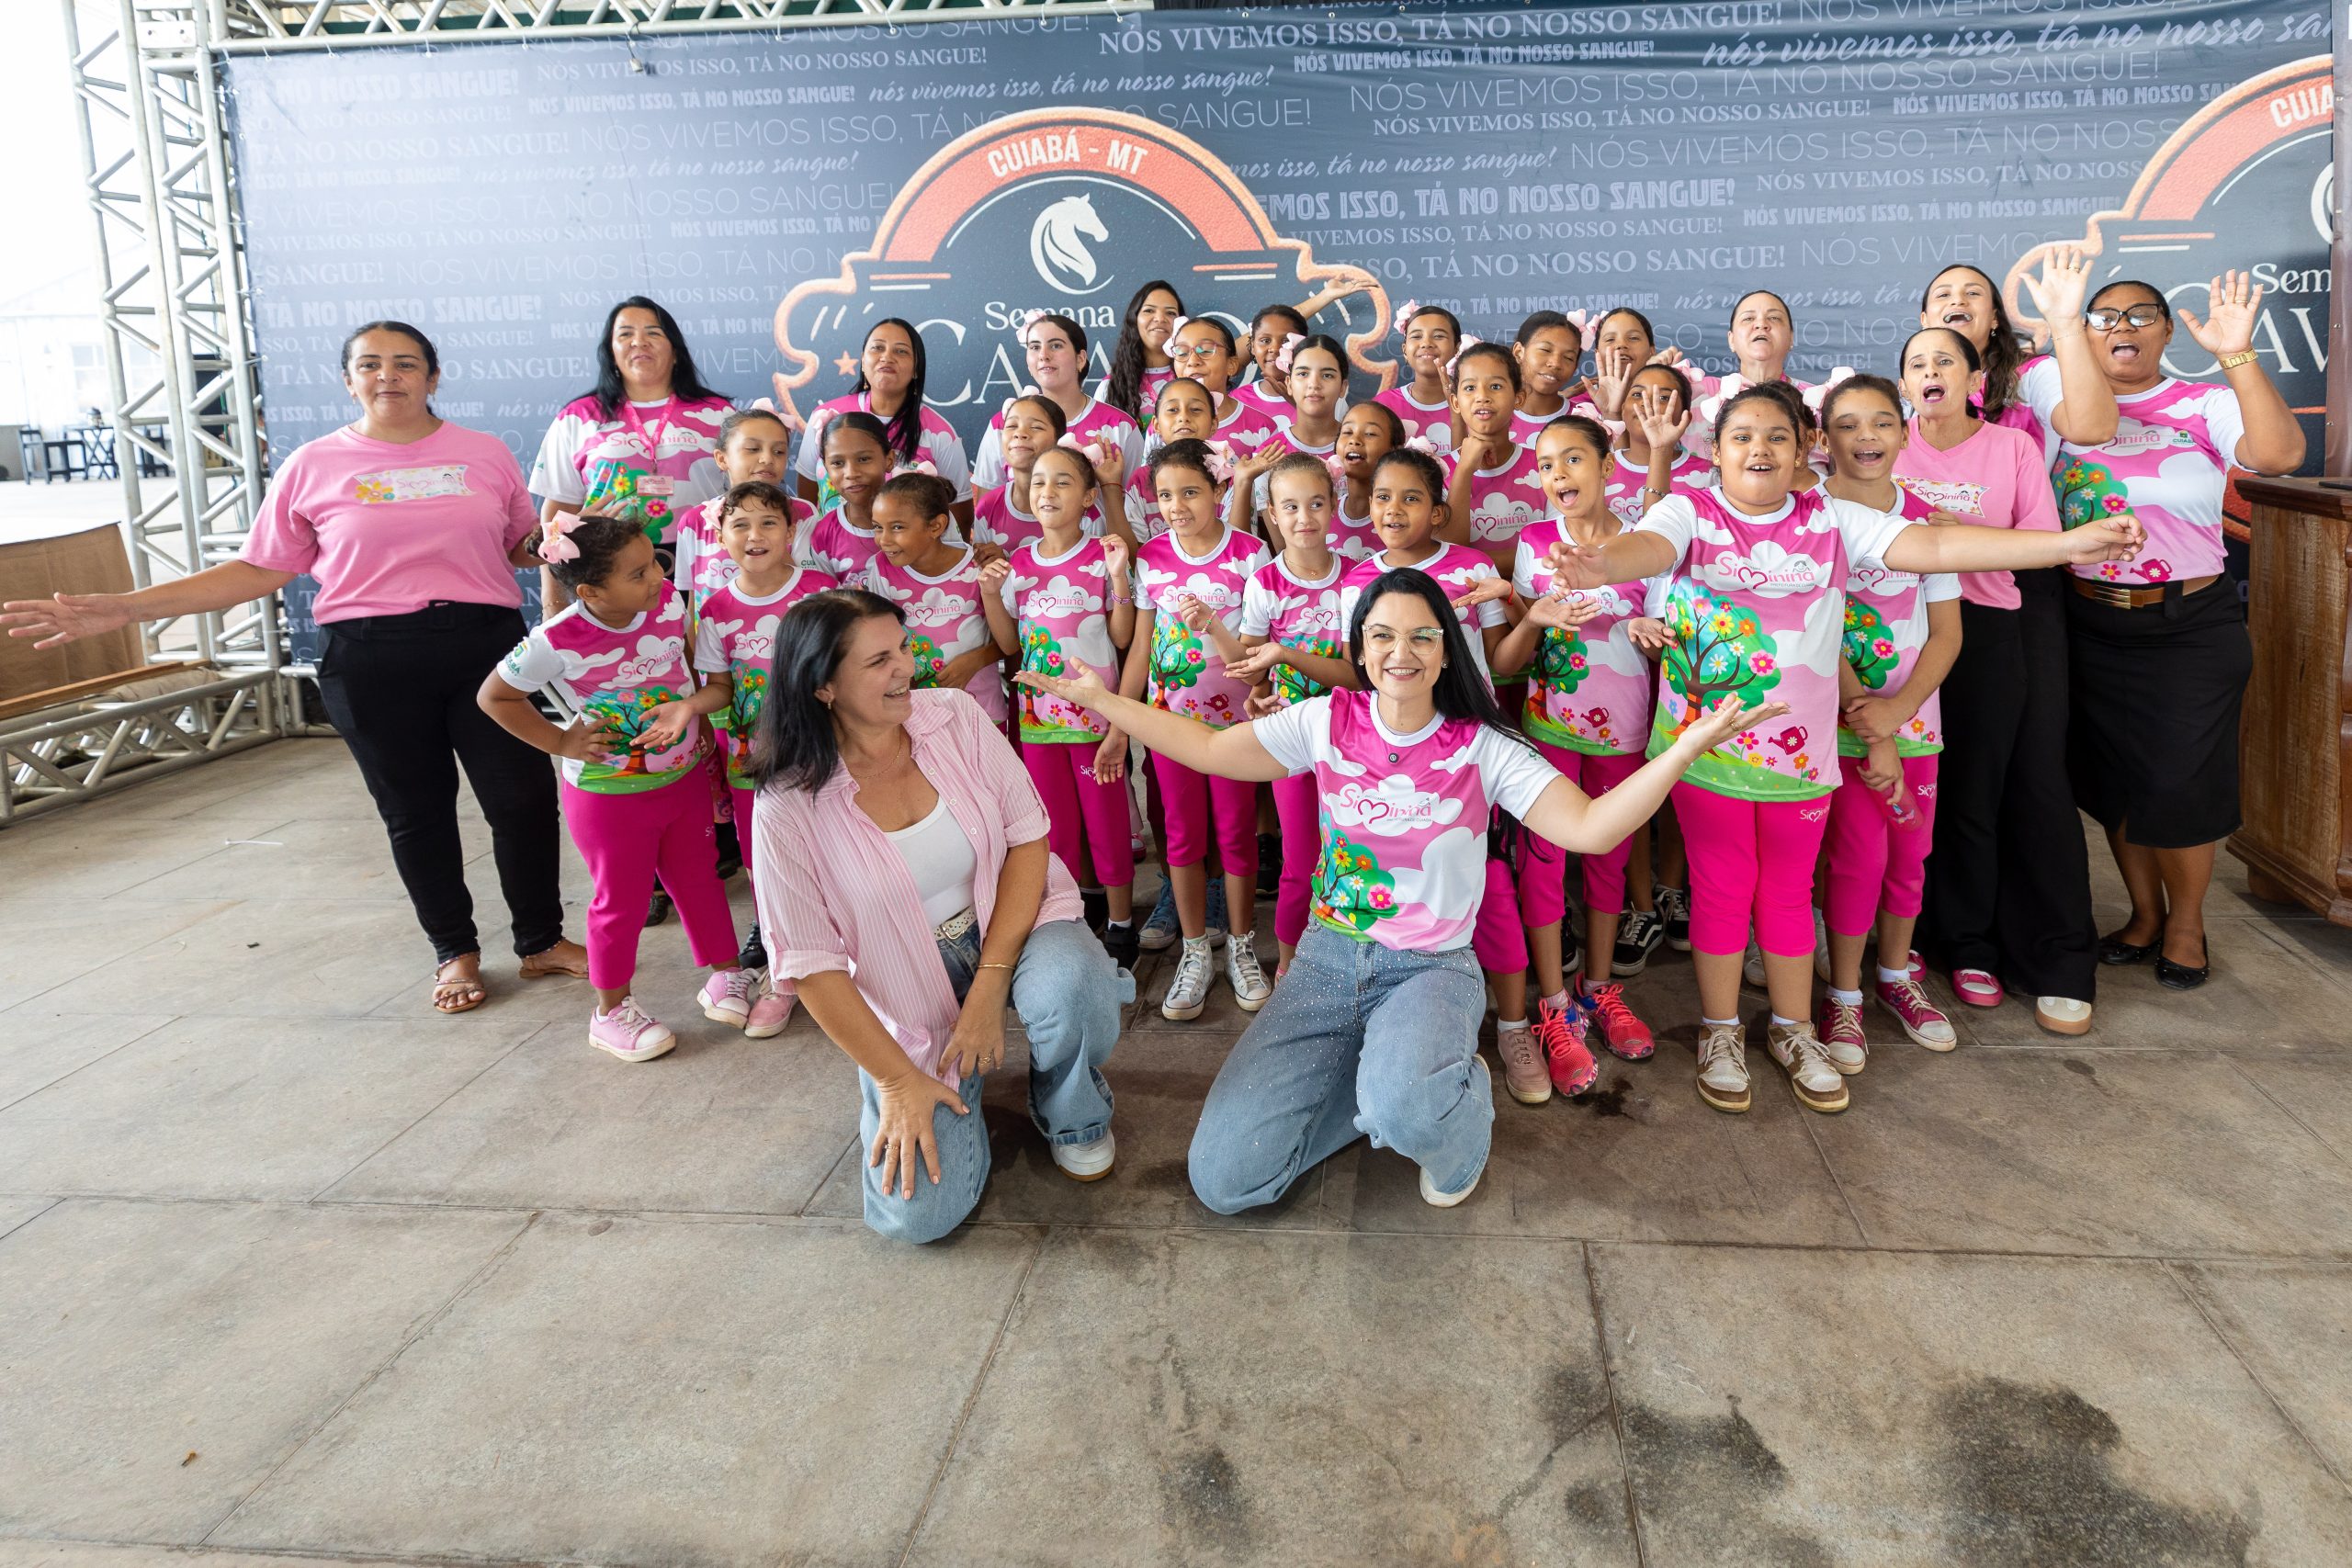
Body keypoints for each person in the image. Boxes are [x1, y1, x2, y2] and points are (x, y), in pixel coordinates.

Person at [1020, 569, 1776, 1212]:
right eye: (1381, 635)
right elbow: (1212, 748)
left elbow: (1591, 827)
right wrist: (1104, 701)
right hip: (1326, 959)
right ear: (1359, 648)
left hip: (1431, 968)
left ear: (1447, 651)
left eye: (1421, 636)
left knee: (1411, 1113)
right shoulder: (1325, 720)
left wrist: (1683, 749)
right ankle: (1386, 1090)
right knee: (1226, 1181)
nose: (1400, 651)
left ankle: (1443, 1107)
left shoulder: (1483, 746)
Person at [1553, 385, 2145, 1115]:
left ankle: (1794, 1029)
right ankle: (1720, 1030)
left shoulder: (1831, 517)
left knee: (1787, 894)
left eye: (1777, 436)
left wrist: (2065, 545)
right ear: (1717, 451)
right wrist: (1600, 565)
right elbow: (1646, 547)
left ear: (1804, 448)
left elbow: (1934, 547)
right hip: (1707, 753)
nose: (1760, 449)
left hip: (1803, 761)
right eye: (1742, 437)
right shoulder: (1690, 510)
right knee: (1724, 888)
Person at [1, 321, 586, 1014]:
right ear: (348, 380)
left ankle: (540, 940)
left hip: (484, 650)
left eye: (406, 363)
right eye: (370, 364)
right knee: (415, 811)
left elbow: (517, 545)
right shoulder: (314, 464)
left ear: (433, 377)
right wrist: (126, 608)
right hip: (370, 657)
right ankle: (453, 950)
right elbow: (259, 568)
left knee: (522, 798)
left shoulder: (483, 452)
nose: (388, 375)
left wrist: (565, 537)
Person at [751, 590, 1126, 1244]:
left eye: (903, 647)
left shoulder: (954, 715)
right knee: (918, 1218)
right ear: (823, 686)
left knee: (1075, 986)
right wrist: (898, 1080)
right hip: (905, 981)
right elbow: (809, 966)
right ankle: (903, 1080)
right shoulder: (786, 804)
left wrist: (988, 987)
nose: (908, 666)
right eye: (879, 661)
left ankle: (1073, 1110)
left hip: (1016, 920)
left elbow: (1027, 837)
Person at [2035, 271, 2308, 989]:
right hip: (2087, 621)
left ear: (2164, 330)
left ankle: (2187, 924)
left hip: (2189, 626)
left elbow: (2281, 457)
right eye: (2104, 316)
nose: (2122, 326)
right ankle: (2144, 913)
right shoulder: (2054, 403)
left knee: (2177, 781)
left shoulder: (2204, 402)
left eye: (2140, 314)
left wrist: (2236, 353)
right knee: (2114, 780)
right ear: (2083, 333)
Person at [477, 513, 759, 1062]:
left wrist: (698, 721)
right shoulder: (555, 639)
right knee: (622, 901)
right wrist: (562, 742)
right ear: (590, 591)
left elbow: (683, 665)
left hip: (682, 780)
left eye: (654, 561)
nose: (657, 576)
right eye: (638, 573)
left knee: (699, 879)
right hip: (609, 799)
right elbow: (494, 697)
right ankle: (611, 1012)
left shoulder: (668, 603)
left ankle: (727, 974)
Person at [1497, 414, 1668, 1066]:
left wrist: (1651, 633)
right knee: (1541, 861)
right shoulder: (1535, 541)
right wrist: (1528, 614)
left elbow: (1669, 639)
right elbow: (1519, 639)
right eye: (1546, 464)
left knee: (1609, 862)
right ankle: (1553, 1003)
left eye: (1572, 458)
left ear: (1606, 466)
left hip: (1625, 733)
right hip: (1547, 727)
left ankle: (1599, 989)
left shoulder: (1645, 546)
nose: (1558, 474)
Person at [1816, 376, 1962, 1061]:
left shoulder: (1930, 523)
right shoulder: (1807, 517)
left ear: (1905, 434)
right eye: (1847, 424)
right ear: (1824, 439)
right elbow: (1817, 626)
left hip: (1915, 724)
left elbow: (1948, 634)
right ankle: (1843, 995)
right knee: (1857, 859)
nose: (1866, 437)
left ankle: (1895, 975)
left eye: (1881, 422)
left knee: (1909, 856)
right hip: (1838, 728)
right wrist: (1869, 723)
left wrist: (1901, 711)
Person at [1127, 439, 1274, 1019]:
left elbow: (1257, 653)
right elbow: (1142, 644)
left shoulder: (1250, 554)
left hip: (1235, 728)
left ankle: (1240, 946)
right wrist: (1124, 717)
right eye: (1165, 495)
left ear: (1219, 490)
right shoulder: (1151, 557)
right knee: (1183, 838)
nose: (1176, 506)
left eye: (1190, 492)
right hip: (1170, 726)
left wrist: (1213, 625)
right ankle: (1194, 952)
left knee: (1236, 836)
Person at [979, 443, 1139, 969]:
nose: (1047, 491)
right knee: (1057, 831)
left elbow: (1122, 636)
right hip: (1037, 725)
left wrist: (1119, 578)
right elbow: (1009, 645)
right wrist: (991, 595)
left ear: (1090, 496)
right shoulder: (1019, 565)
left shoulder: (1103, 555)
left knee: (1107, 825)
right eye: (1039, 482)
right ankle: (1070, 921)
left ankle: (1121, 923)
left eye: (1063, 481)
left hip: (1095, 724)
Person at [695, 479, 839, 988]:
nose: (754, 535)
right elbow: (719, 688)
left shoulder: (820, 592)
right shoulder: (714, 610)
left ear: (790, 531)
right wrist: (688, 709)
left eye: (768, 523)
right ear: (721, 536)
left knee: (833, 844)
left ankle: (843, 935)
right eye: (740, 525)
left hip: (823, 748)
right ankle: (775, 938)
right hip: (751, 758)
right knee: (763, 854)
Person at [529, 296, 730, 608]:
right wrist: (553, 603)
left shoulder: (719, 414)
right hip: (609, 573)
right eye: (625, 334)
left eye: (653, 332)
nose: (639, 342)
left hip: (708, 564)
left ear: (676, 351)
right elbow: (557, 513)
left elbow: (745, 496)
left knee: (702, 642)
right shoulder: (578, 417)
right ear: (611, 352)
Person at [790, 318, 971, 525]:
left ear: (916, 368)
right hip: (830, 544)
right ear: (863, 361)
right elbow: (806, 506)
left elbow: (960, 518)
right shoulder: (826, 417)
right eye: (877, 348)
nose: (887, 357)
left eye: (901, 351)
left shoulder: (940, 433)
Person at [969, 312, 1144, 491]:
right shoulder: (1004, 424)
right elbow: (988, 506)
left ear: (1080, 359)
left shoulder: (1121, 427)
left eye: (1056, 346)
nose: (1043, 355)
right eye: (1035, 347)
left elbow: (1137, 504)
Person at [1377, 301, 1463, 452]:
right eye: (1416, 336)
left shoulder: (1473, 402)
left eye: (1438, 336)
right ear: (1404, 350)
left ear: (1457, 348)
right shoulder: (1385, 405)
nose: (1426, 343)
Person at [1098, 280, 1184, 424]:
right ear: (1134, 319)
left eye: (1170, 313)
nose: (1160, 319)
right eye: (1149, 310)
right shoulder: (1111, 386)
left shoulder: (1193, 378)